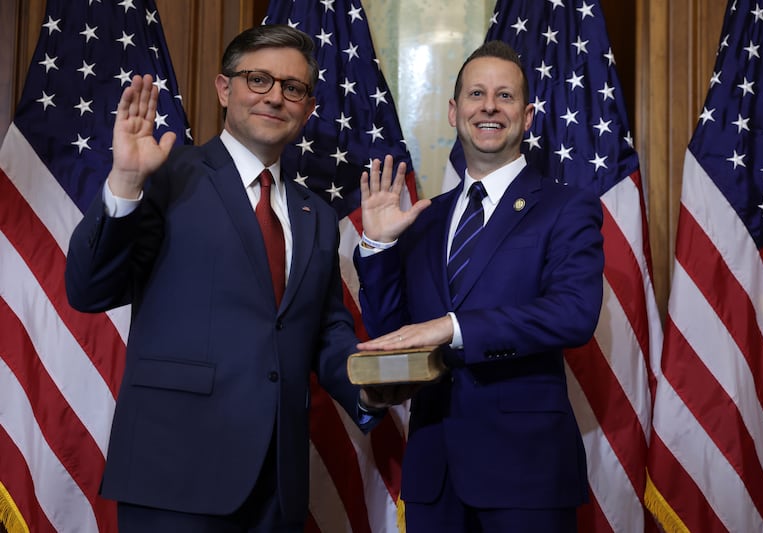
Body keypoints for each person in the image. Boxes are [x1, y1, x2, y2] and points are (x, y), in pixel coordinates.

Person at [65, 24, 392, 532]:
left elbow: (326, 332)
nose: (275, 97)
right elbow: (88, 290)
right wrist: (126, 182)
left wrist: (369, 388)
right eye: (258, 80)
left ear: (308, 108)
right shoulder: (167, 176)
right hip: (175, 475)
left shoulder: (317, 216)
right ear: (225, 89)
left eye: (293, 88)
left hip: (277, 485)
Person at [354, 40, 605, 532]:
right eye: (475, 94)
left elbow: (574, 313)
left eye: (505, 96)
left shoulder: (567, 207)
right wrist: (379, 247)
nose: (489, 106)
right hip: (434, 477)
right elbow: (394, 337)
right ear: (454, 111)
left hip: (525, 476)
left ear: (527, 115)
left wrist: (452, 328)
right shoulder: (425, 219)